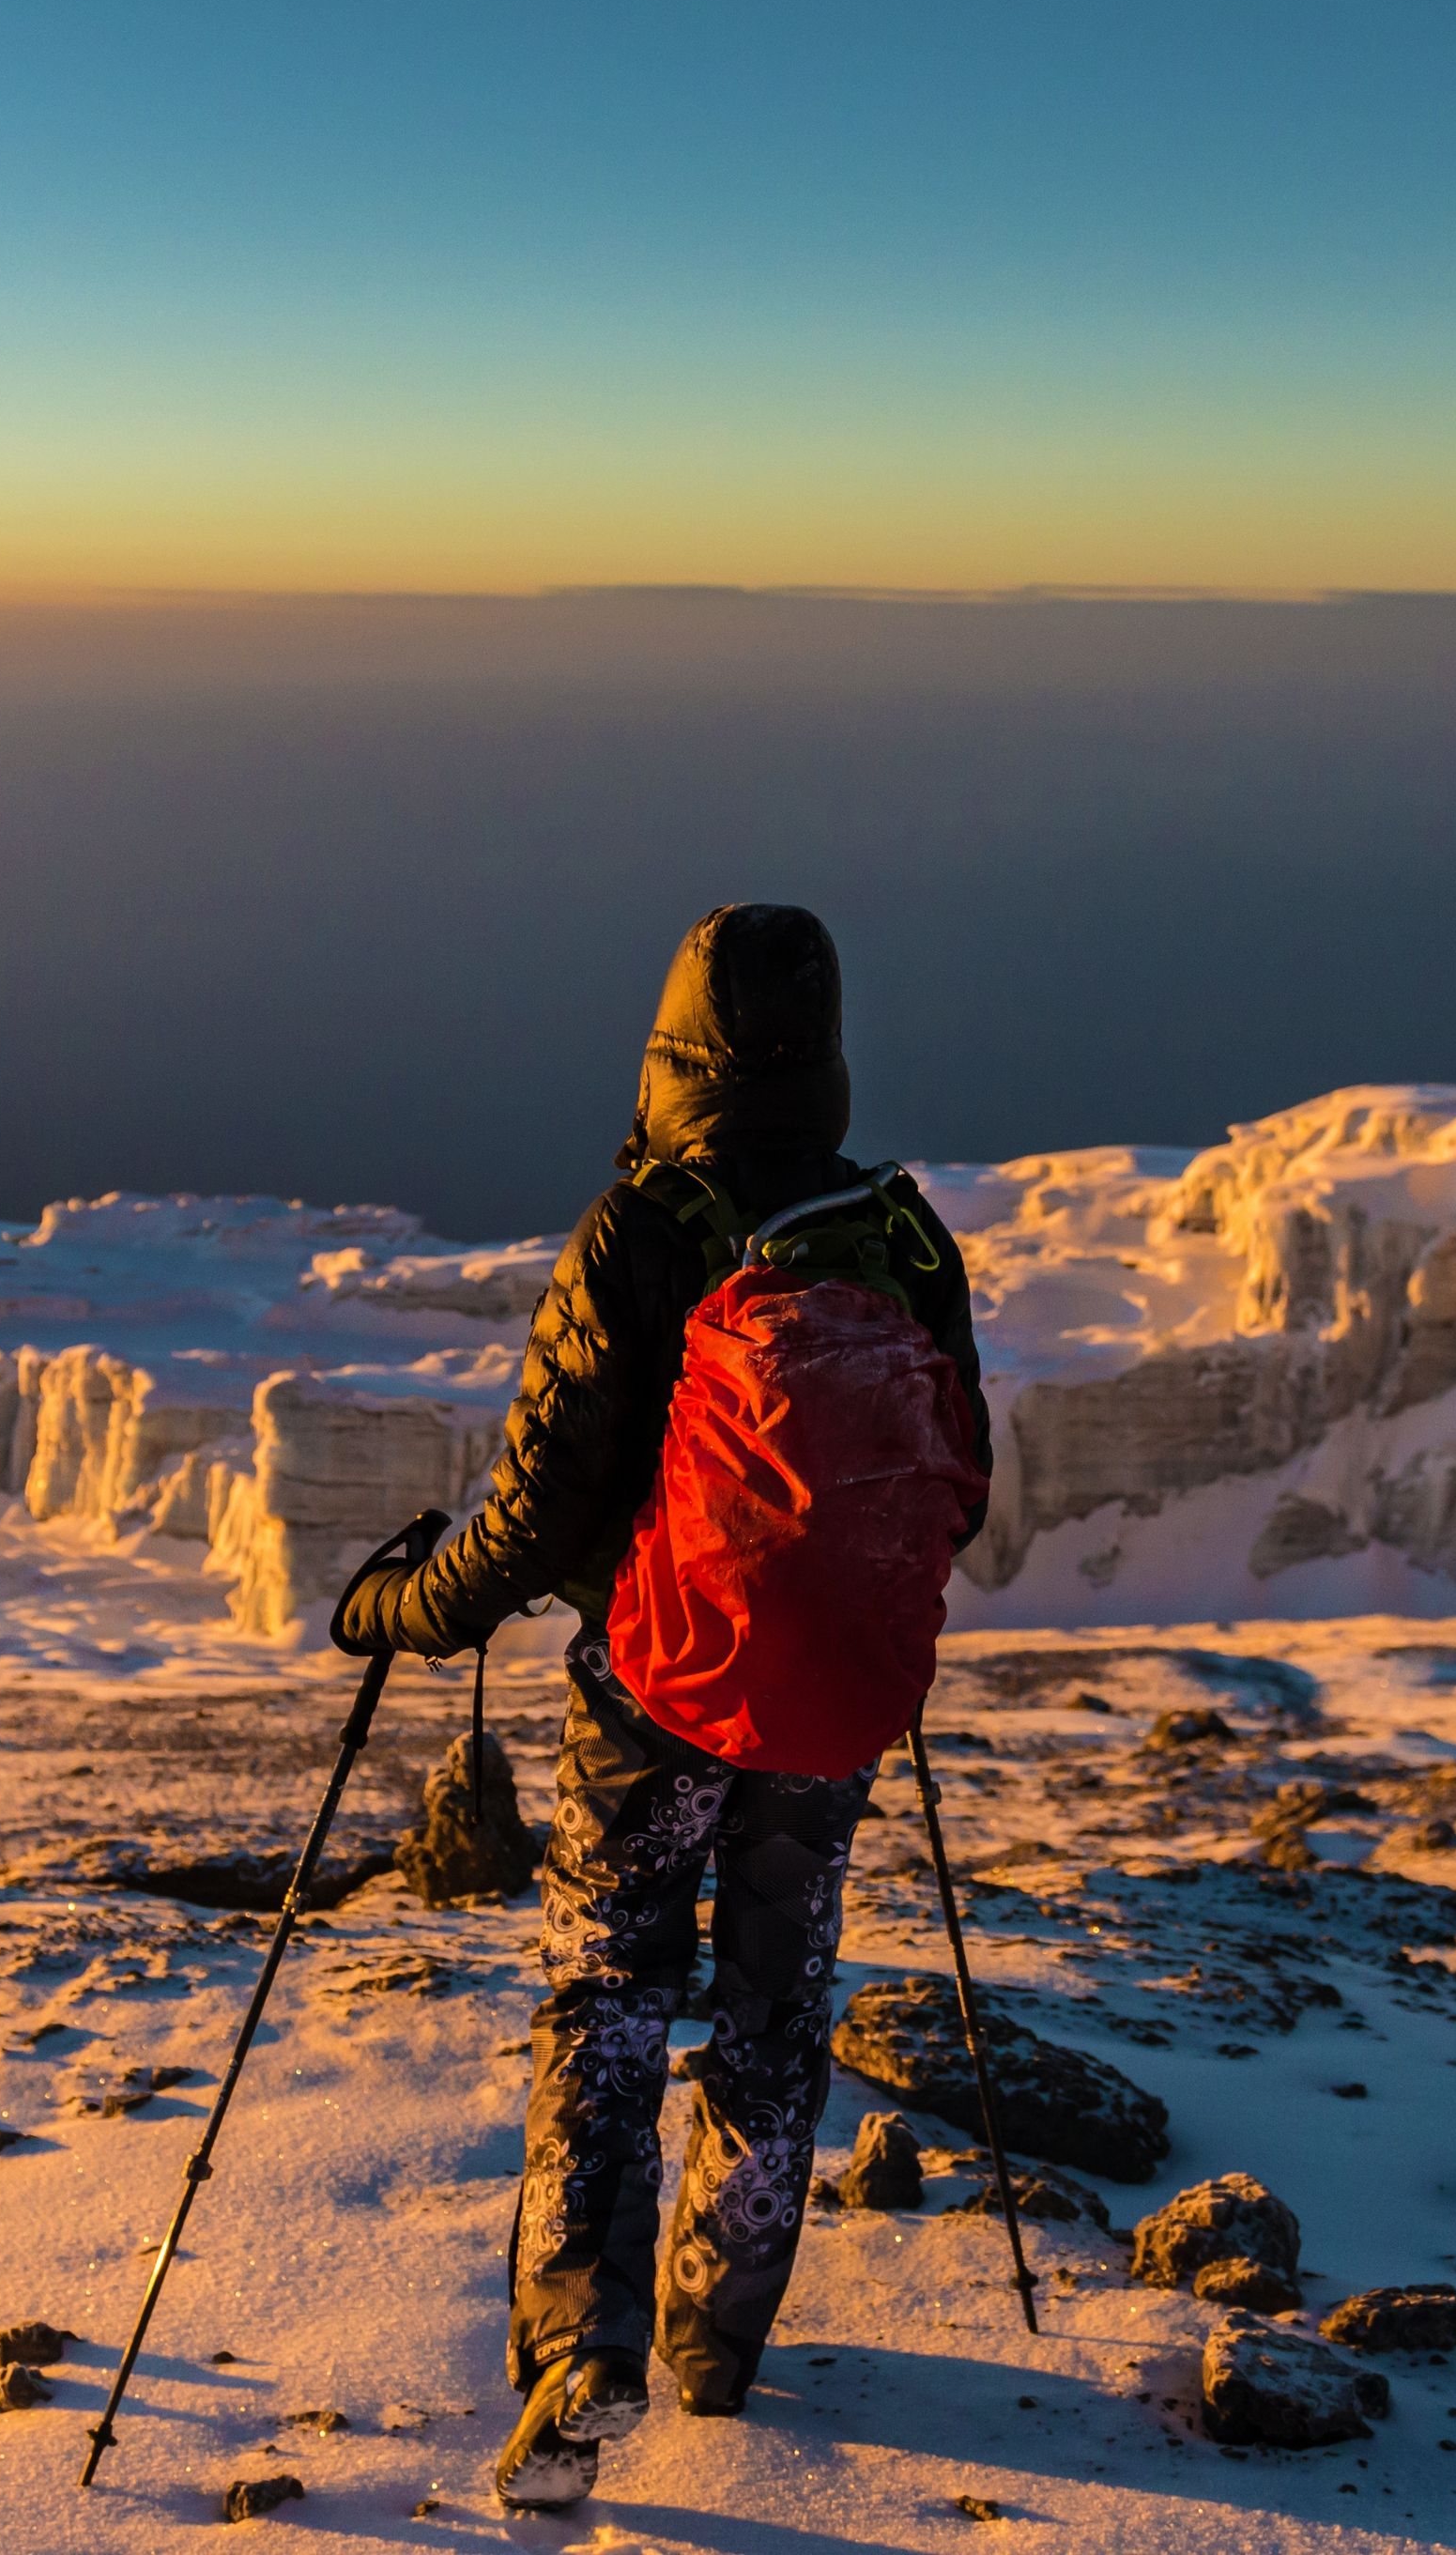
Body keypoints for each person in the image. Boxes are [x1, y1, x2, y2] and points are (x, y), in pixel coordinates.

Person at [332, 901, 989, 2511]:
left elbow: (535, 1520)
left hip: (653, 1691)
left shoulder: (643, 1229)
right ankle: (719, 2344)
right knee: (778, 2006)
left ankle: (583, 2354)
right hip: (827, 1710)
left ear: (676, 1049)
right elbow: (958, 1488)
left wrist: (399, 1611)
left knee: (610, 1993)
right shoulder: (901, 1239)